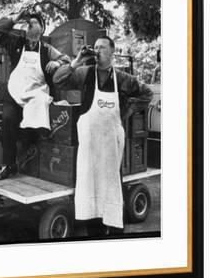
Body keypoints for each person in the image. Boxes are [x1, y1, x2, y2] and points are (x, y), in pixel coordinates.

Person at [53, 36, 153, 236]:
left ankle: (116, 233)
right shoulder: (84, 73)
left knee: (112, 191)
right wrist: (76, 62)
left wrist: (127, 110)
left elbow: (147, 93)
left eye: (102, 47)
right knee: (91, 193)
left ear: (112, 52)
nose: (97, 50)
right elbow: (58, 80)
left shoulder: (124, 79)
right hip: (90, 151)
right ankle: (95, 235)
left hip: (111, 150)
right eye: (95, 47)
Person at [0, 10, 70, 180]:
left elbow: (67, 60)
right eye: (27, 23)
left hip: (36, 93)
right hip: (15, 91)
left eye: (34, 22)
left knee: (35, 122)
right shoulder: (15, 42)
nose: (29, 24)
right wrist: (16, 18)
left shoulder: (48, 50)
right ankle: (10, 164)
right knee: (8, 120)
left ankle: (32, 155)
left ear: (42, 29)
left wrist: (57, 62)